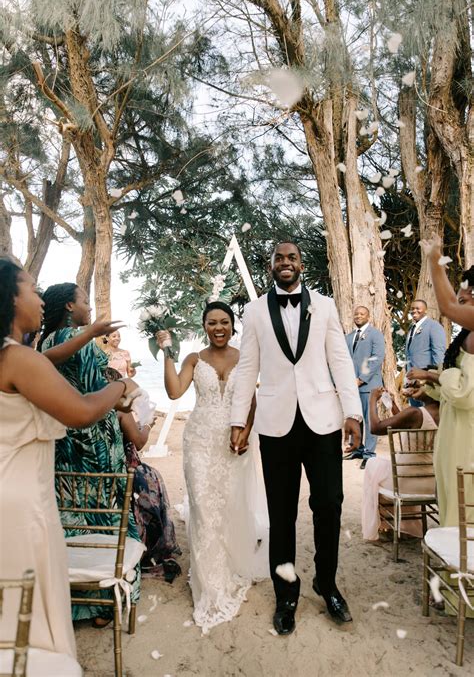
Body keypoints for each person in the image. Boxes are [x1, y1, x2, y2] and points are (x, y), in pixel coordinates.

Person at [0, 259, 136, 659]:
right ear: (9, 298)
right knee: (29, 620)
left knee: (13, 616)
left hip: (17, 489)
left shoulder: (19, 355)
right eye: (31, 290)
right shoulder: (15, 358)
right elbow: (79, 410)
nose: (40, 299)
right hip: (21, 503)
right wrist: (122, 386)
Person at [231, 241, 362, 635]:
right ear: (269, 266)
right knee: (282, 514)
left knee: (330, 504)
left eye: (292, 258)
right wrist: (240, 420)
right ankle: (286, 594)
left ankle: (327, 582)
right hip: (275, 426)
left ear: (301, 265)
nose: (285, 263)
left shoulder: (323, 305)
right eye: (278, 258)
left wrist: (352, 412)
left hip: (322, 421)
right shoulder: (254, 312)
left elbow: (339, 359)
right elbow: (246, 367)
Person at [156, 301, 269, 634]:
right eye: (211, 323)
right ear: (204, 326)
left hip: (235, 443)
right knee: (205, 510)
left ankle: (231, 565)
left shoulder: (246, 359)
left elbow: (251, 402)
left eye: (224, 322)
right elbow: (174, 390)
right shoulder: (194, 359)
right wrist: (167, 351)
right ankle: (210, 585)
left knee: (230, 508)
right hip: (199, 442)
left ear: (233, 326)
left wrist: (246, 433)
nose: (218, 328)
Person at [38, 283, 142, 627]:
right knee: (107, 511)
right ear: (70, 305)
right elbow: (93, 392)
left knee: (74, 515)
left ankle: (76, 601)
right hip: (93, 439)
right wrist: (123, 388)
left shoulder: (46, 342)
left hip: (63, 442)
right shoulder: (75, 338)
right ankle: (105, 602)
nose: (90, 307)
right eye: (85, 300)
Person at [105, 368, 181, 582]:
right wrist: (147, 425)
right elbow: (138, 441)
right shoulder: (121, 412)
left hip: (103, 473)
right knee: (152, 478)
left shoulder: (89, 409)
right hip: (126, 471)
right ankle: (150, 544)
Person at [419, 237, 474, 526]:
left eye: (465, 297)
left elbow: (466, 395)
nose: (459, 304)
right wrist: (431, 383)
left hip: (469, 444)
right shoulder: (466, 336)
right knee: (452, 514)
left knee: (464, 519)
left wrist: (434, 259)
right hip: (453, 439)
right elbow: (452, 392)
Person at [361, 387, 439, 541]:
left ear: (431, 390)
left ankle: (383, 524)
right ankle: (402, 525)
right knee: (382, 467)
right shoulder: (449, 414)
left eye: (418, 385)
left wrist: (372, 400)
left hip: (405, 483)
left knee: (372, 463)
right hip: (434, 484)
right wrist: (393, 405)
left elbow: (375, 428)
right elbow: (409, 425)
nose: (414, 388)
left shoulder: (415, 413)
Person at [345, 306, 385, 468]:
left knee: (369, 420)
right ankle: (358, 448)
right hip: (351, 386)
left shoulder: (375, 334)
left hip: (369, 386)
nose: (358, 316)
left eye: (362, 314)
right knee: (356, 419)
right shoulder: (348, 337)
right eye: (356, 313)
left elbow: (377, 358)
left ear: (368, 316)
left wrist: (361, 379)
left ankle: (369, 454)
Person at [405, 299, 446, 406]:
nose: (414, 311)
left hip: (427, 382)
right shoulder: (411, 329)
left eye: (418, 308)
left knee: (429, 418)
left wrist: (433, 380)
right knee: (417, 417)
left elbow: (438, 354)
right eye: (412, 309)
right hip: (412, 382)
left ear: (426, 311)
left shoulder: (434, 326)